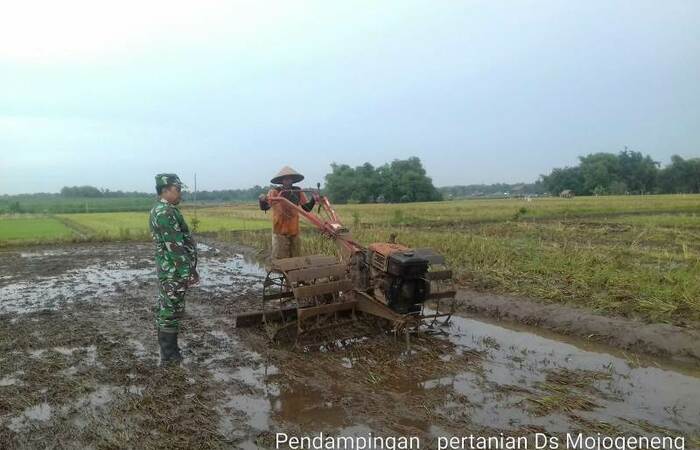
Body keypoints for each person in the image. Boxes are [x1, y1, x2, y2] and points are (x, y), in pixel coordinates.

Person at [149, 173, 198, 365]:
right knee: (170, 310)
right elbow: (175, 247)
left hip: (172, 271)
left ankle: (170, 351)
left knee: (171, 309)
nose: (180, 194)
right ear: (165, 190)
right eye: (177, 190)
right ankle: (169, 354)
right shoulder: (164, 213)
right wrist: (188, 273)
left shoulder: (164, 209)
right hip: (173, 272)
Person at [258, 166, 316, 259]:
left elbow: (306, 208)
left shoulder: (298, 191)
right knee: (281, 259)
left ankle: (294, 274)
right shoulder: (275, 192)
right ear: (281, 180)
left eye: (289, 178)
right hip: (279, 230)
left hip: (294, 230)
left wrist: (314, 199)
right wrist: (261, 200)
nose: (288, 181)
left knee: (296, 258)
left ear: (292, 180)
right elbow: (265, 207)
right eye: (285, 179)